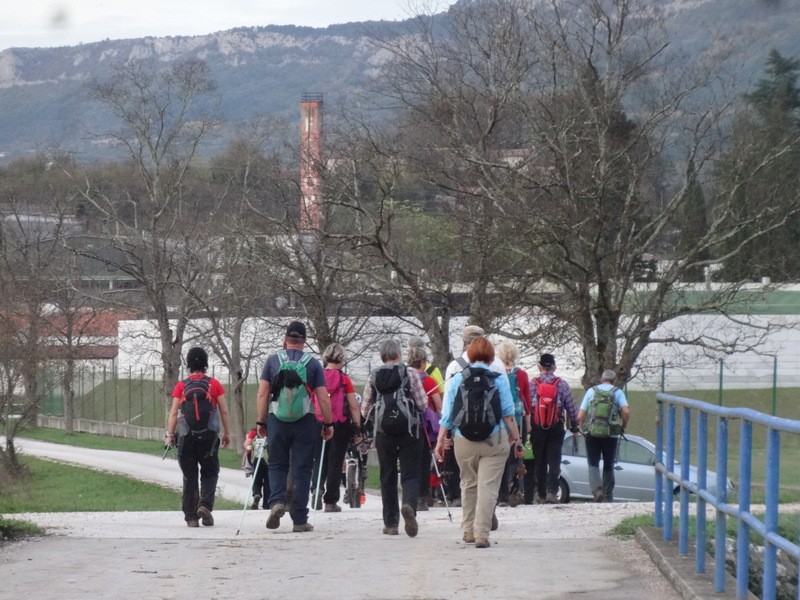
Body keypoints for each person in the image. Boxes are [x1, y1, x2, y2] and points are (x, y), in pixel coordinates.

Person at [435, 337, 524, 549]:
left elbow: (447, 414)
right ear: (492, 356)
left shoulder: (457, 377)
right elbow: (508, 414)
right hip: (494, 439)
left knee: (467, 482)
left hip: (463, 439)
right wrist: (517, 439)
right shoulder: (498, 378)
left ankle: (468, 531)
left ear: (470, 353)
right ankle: (482, 534)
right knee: (488, 486)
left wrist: (440, 440)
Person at [256, 321, 333, 533]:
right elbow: (323, 398)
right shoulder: (313, 364)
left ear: (285, 339)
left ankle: (277, 502)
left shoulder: (273, 361)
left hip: (277, 420)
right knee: (302, 469)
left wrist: (261, 421)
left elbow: (263, 394)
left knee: (276, 465)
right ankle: (299, 519)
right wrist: (328, 423)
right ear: (305, 340)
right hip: (305, 421)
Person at [361, 339, 428, 537]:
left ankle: (391, 523)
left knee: (387, 475)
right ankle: (408, 505)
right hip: (410, 430)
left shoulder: (374, 375)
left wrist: (379, 418)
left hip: (384, 433)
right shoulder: (411, 374)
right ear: (399, 355)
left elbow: (365, 409)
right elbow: (423, 404)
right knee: (411, 473)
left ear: (382, 356)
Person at [165, 346, 231, 527]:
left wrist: (170, 435)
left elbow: (173, 413)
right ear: (205, 364)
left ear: (188, 364)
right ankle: (205, 505)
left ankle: (191, 518)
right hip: (209, 437)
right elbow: (224, 411)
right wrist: (227, 433)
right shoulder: (214, 384)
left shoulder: (181, 385)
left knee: (189, 476)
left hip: (186, 437)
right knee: (210, 472)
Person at [441, 325, 505, 506]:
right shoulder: (497, 365)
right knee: (488, 481)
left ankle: (464, 513)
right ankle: (487, 513)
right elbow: (506, 405)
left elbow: (449, 404)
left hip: (463, 432)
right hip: (493, 432)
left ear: (463, 342)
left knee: (468, 480)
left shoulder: (455, 366)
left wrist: (444, 435)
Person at [312, 343, 362, 513]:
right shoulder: (344, 379)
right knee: (335, 462)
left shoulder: (317, 377)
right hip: (340, 423)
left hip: (318, 421)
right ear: (342, 359)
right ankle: (330, 502)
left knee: (320, 458)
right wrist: (357, 427)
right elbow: (354, 406)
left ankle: (316, 488)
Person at [530, 352, 580, 504]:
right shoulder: (561, 384)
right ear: (554, 367)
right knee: (554, 460)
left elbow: (528, 406)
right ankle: (552, 492)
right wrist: (574, 425)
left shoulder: (533, 383)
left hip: (537, 426)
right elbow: (571, 407)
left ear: (539, 367)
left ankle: (541, 493)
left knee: (539, 461)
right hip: (556, 426)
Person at [578, 369, 630, 502]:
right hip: (610, 434)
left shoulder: (592, 391)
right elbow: (626, 412)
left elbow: (581, 415)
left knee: (593, 463)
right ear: (614, 380)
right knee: (608, 464)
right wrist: (622, 426)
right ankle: (607, 495)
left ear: (602, 379)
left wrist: (583, 428)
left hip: (592, 432)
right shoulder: (617, 392)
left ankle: (597, 491)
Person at [406, 344, 443, 512]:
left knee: (409, 463)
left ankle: (409, 497)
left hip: (406, 426)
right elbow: (438, 405)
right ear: (422, 362)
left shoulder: (403, 378)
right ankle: (422, 497)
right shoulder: (427, 380)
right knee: (424, 462)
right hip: (424, 428)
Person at [495, 341, 531, 506]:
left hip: (501, 419)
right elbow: (526, 400)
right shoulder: (521, 375)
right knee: (516, 457)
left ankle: (501, 494)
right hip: (518, 420)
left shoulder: (496, 372)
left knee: (501, 457)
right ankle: (515, 491)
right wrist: (528, 423)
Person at [243, 427, 269, 509]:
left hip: (256, 459)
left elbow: (247, 444)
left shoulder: (254, 432)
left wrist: (249, 449)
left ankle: (256, 494)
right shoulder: (272, 430)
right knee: (268, 481)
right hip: (269, 460)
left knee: (256, 478)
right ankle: (267, 503)